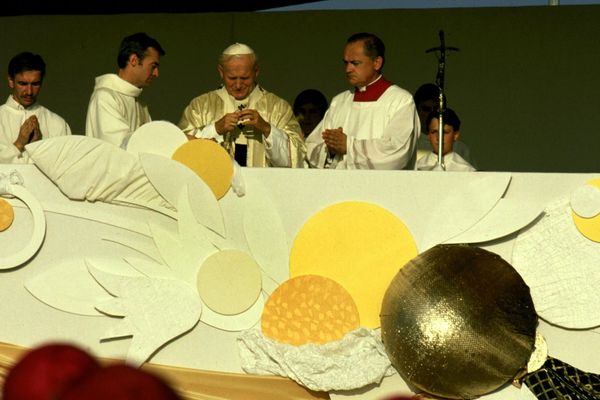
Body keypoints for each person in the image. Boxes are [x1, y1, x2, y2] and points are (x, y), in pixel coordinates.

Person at [178, 43, 305, 168]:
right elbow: (180, 148)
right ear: (221, 72)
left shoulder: (278, 108)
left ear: (256, 71)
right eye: (232, 78)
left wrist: (267, 129)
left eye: (245, 78)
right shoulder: (200, 106)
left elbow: (297, 156)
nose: (238, 85)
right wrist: (216, 129)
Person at [305, 32, 419, 170]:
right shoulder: (339, 102)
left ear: (377, 63)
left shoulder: (400, 101)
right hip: (337, 188)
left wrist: (348, 146)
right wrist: (330, 149)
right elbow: (311, 146)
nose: (348, 69)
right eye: (345, 63)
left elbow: (397, 151)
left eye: (355, 63)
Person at [85, 32, 165, 148]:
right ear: (133, 60)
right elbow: (118, 145)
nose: (156, 73)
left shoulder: (141, 105)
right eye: (153, 66)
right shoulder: (105, 97)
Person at [0, 52, 71, 164]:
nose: (29, 92)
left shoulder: (57, 124)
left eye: (35, 84)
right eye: (23, 84)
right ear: (11, 81)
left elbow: (66, 169)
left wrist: (37, 148)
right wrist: (18, 144)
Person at [413, 82, 472, 165]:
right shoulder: (409, 145)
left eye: (436, 109)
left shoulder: (460, 149)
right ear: (416, 110)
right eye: (426, 109)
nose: (431, 113)